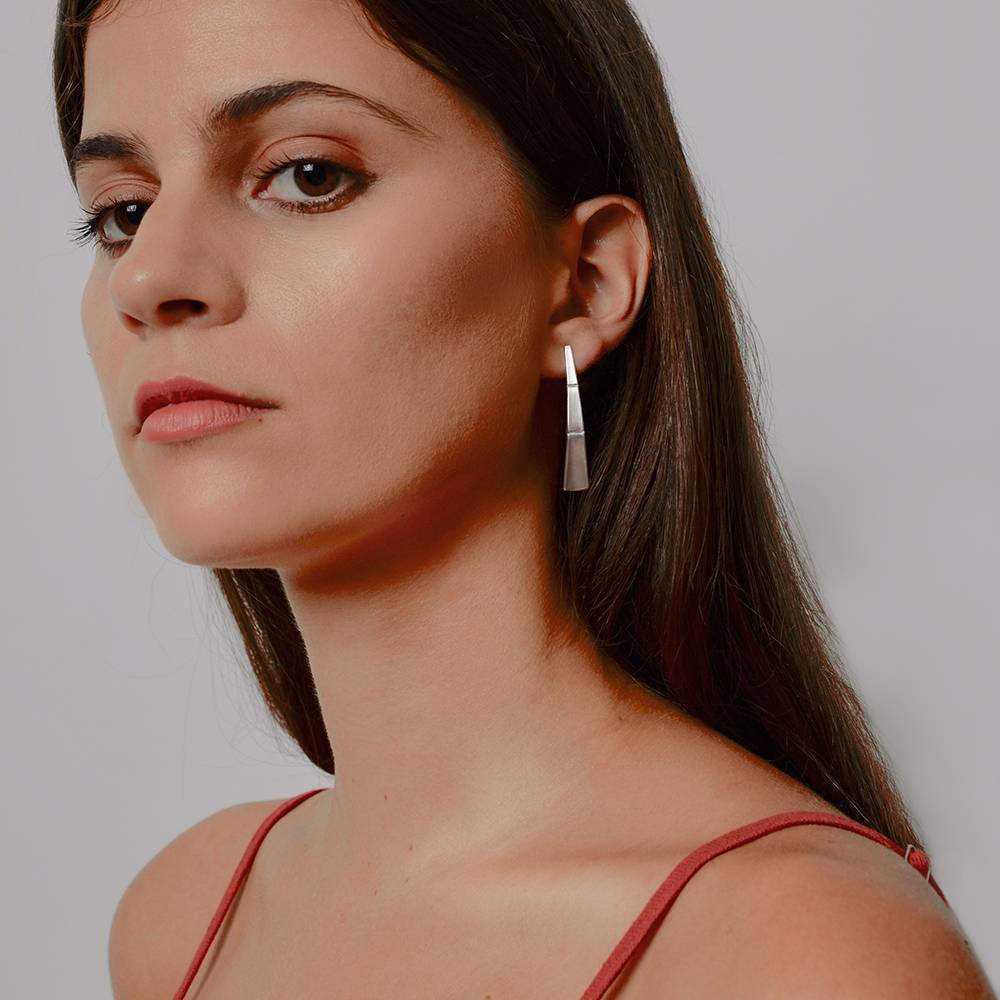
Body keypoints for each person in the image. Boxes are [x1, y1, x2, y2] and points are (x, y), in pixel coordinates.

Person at [52, 0, 994, 997]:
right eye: (123, 212)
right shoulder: (185, 920)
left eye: (308, 175)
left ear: (583, 283)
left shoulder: (800, 957)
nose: (147, 277)